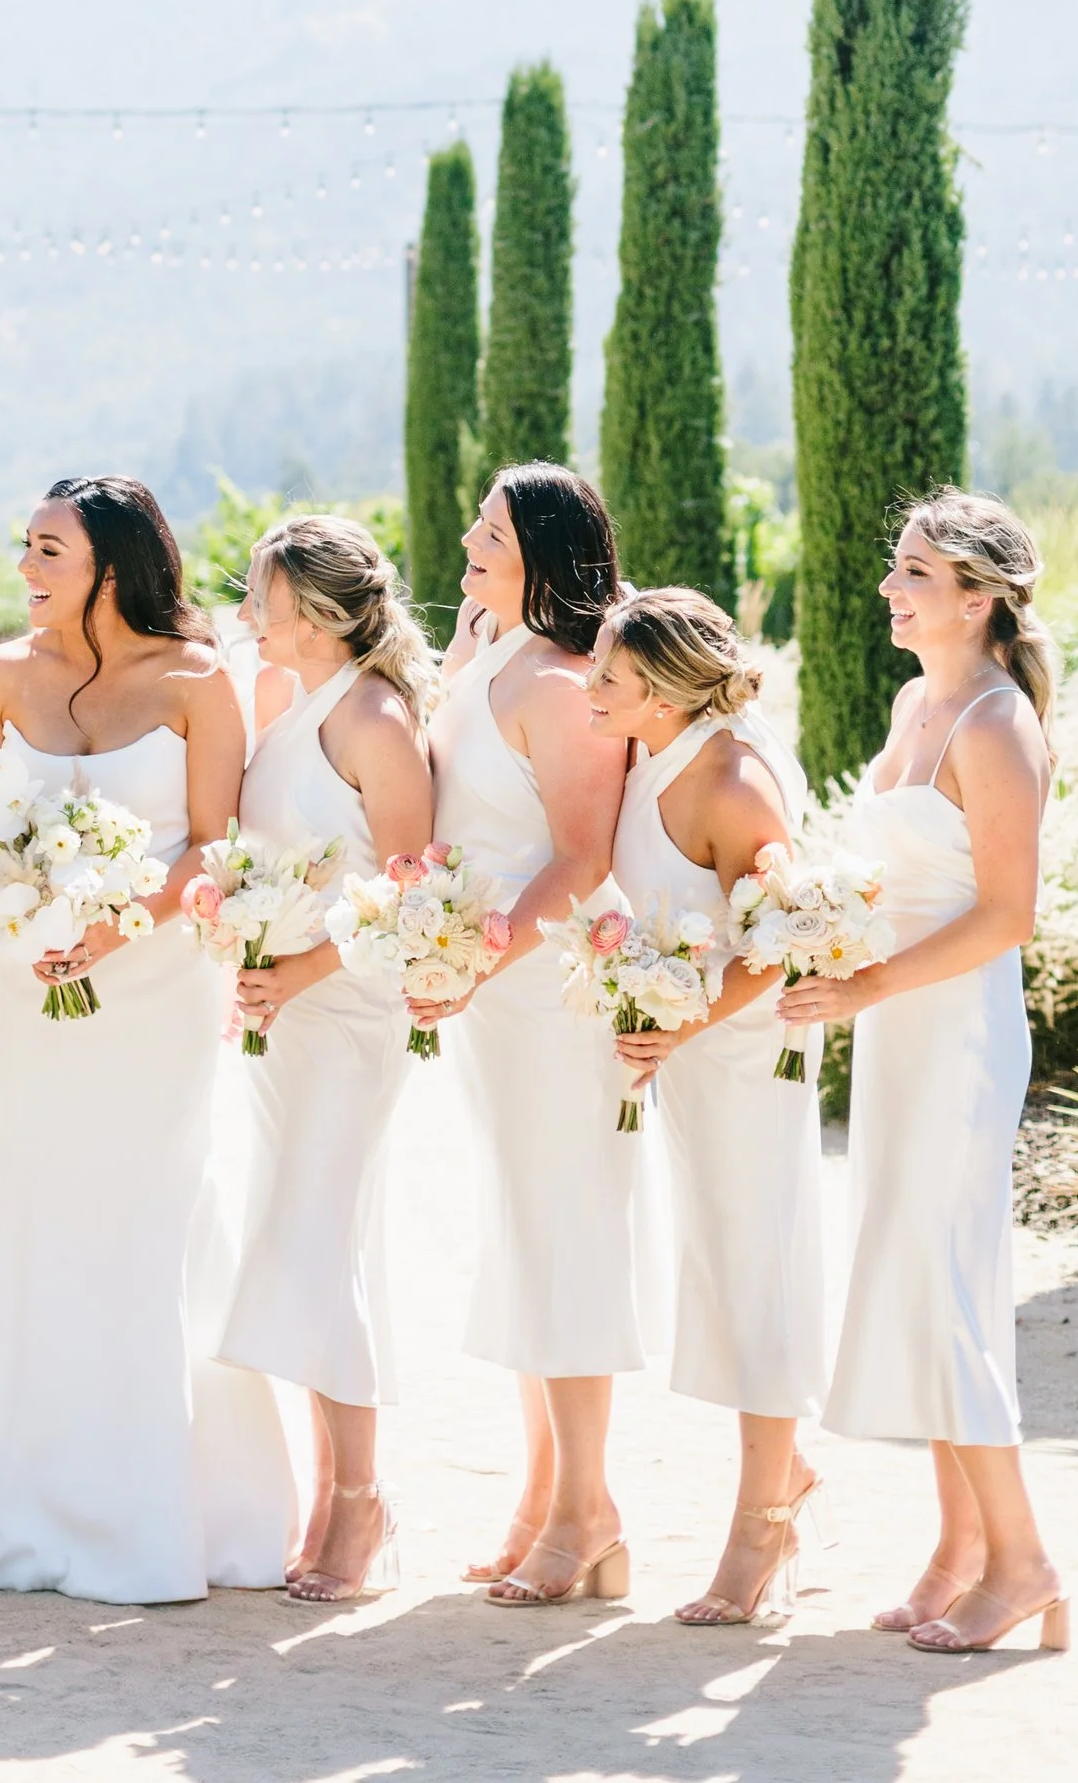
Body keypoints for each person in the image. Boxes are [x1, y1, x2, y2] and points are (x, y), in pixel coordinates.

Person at [0, 474, 292, 1603]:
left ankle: (150, 1510)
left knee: (142, 1211)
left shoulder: (203, 684)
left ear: (112, 564)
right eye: (26, 546)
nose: (26, 566)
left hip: (153, 988)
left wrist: (119, 925)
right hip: (28, 986)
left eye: (48, 549)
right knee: (27, 1202)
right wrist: (0, 924)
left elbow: (211, 847)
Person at [779, 489, 1066, 1657]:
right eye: (894, 568)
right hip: (898, 1025)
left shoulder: (996, 726)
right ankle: (960, 1550)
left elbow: (1005, 916)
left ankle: (1027, 1562)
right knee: (913, 1274)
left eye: (913, 573)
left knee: (947, 1288)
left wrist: (859, 988)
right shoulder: (915, 700)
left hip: (952, 1036)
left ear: (978, 594)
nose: (890, 590)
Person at [423, 462, 652, 1607]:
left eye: (495, 527)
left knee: (565, 1237)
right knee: (521, 1232)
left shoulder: (562, 686)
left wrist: (476, 948)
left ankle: (587, 1510)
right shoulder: (489, 655)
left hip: (555, 991)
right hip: (499, 997)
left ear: (547, 556)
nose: (470, 535)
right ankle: (541, 1498)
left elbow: (584, 856)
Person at [585, 584, 824, 1625]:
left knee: (754, 1267)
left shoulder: (729, 781)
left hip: (745, 1057)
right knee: (720, 1267)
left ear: (667, 688)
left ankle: (763, 1522)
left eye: (608, 676)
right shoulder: (647, 754)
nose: (589, 689)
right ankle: (785, 1472)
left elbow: (782, 937)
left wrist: (681, 1022)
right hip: (692, 1055)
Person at [215, 511, 437, 1603]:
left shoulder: (375, 720)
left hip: (347, 1015)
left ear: (307, 611)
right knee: (297, 1241)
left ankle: (360, 1500)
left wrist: (300, 969)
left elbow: (410, 887)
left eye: (259, 596)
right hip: (277, 1018)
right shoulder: (280, 702)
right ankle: (327, 1491)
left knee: (323, 1242)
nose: (246, 613)